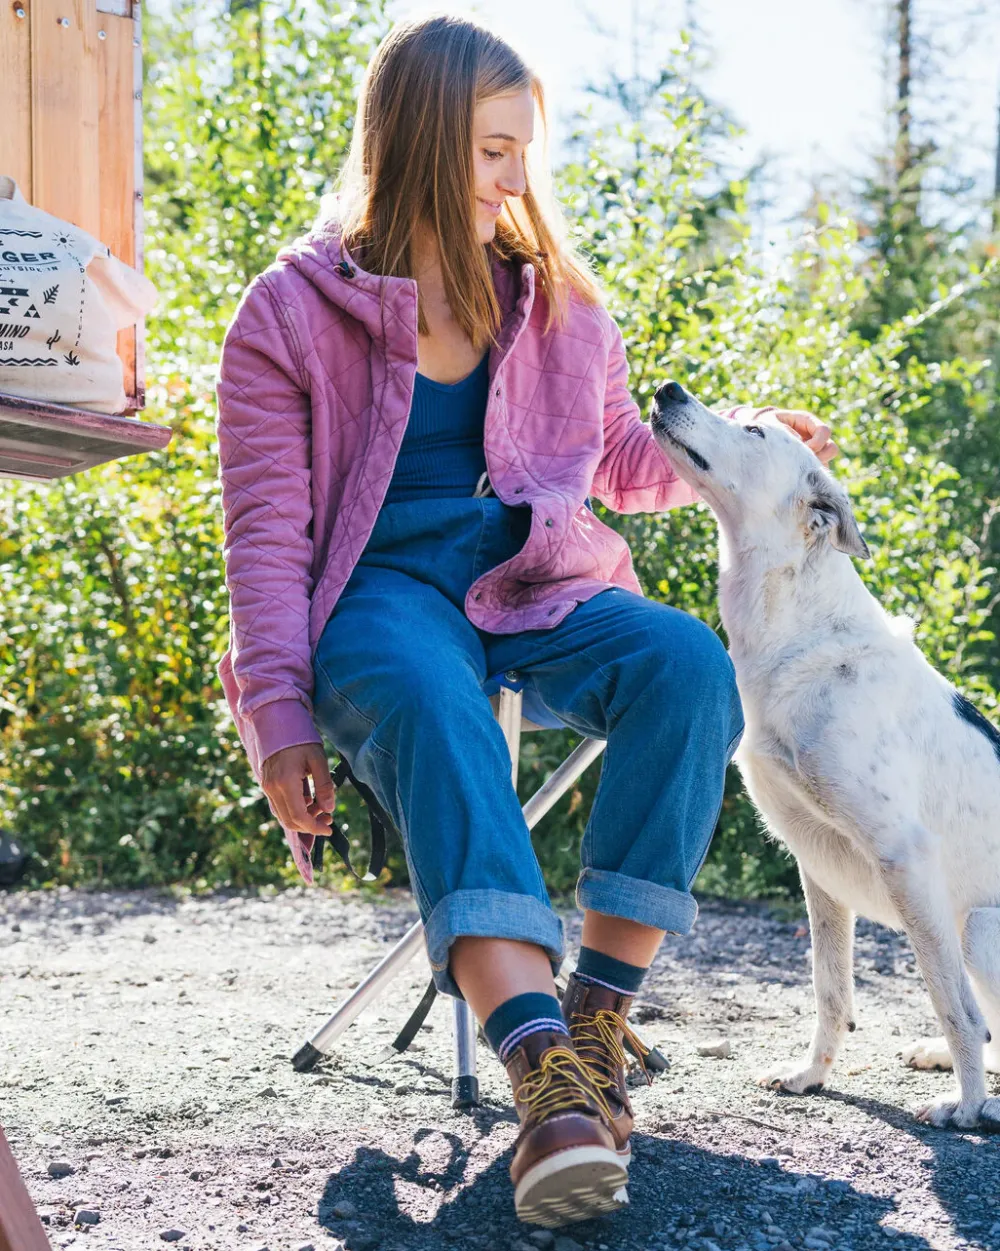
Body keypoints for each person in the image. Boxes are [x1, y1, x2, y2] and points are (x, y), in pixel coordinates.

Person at [214, 14, 838, 1229]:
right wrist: (277, 712)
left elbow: (610, 458)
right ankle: (536, 1072)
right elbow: (267, 541)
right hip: (382, 600)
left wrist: (749, 442)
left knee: (681, 663)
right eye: (493, 151)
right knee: (432, 700)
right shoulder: (289, 312)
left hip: (536, 580)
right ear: (416, 146)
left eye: (522, 153)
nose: (514, 181)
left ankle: (593, 1032)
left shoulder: (556, 301)